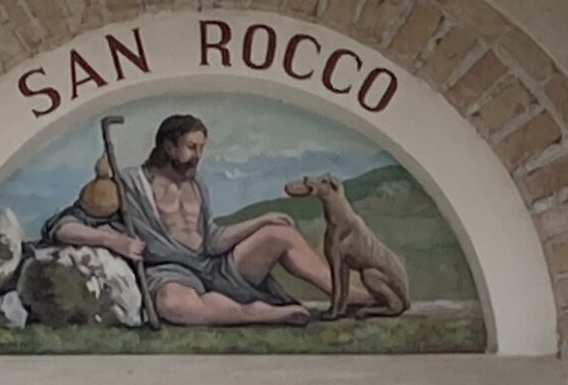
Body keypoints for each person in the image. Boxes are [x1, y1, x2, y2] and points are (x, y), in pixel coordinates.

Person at [46, 114, 368, 326]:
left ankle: (352, 296)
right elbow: (61, 226)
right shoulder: (128, 184)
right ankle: (261, 314)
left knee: (279, 232)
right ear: (168, 145)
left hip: (214, 267)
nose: (198, 155)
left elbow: (211, 240)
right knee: (172, 303)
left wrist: (261, 220)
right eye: (191, 147)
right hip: (169, 271)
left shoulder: (197, 183)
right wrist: (113, 240)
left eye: (201, 147)